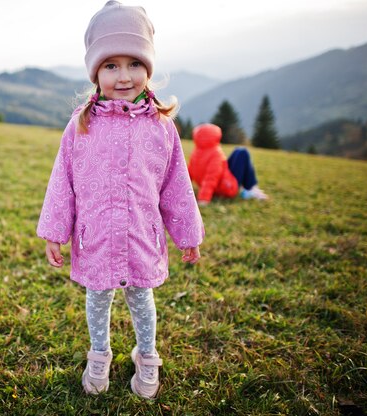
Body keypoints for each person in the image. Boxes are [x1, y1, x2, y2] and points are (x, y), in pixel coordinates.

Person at [36, 1, 204, 399]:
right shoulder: (82, 124)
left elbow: (176, 185)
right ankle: (100, 354)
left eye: (134, 63)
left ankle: (146, 356)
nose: (124, 76)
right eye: (111, 65)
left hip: (141, 238)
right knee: (98, 299)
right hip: (96, 237)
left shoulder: (162, 128)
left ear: (149, 68)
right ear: (95, 71)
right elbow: (63, 181)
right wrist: (54, 232)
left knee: (141, 299)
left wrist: (188, 234)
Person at [188, 123, 268, 205]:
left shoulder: (196, 153)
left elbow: (188, 174)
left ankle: (249, 187)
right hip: (227, 187)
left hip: (220, 181)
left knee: (238, 151)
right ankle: (251, 188)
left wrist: (180, 190)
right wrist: (203, 199)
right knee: (243, 153)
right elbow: (211, 178)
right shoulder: (216, 154)